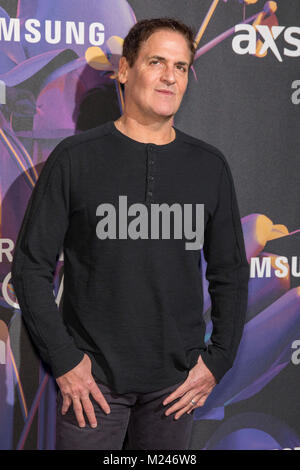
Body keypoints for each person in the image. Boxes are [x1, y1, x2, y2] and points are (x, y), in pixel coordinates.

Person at [11, 17, 250, 450]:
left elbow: (231, 272)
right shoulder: (75, 159)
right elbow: (30, 268)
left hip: (175, 392)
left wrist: (218, 361)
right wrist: (65, 361)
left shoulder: (208, 165)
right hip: (93, 387)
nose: (169, 77)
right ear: (124, 70)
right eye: (156, 61)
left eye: (180, 67)